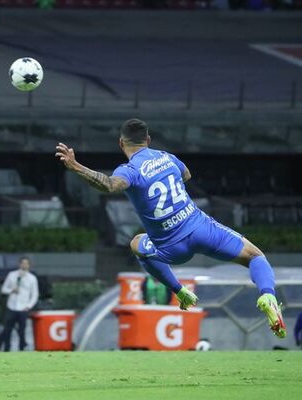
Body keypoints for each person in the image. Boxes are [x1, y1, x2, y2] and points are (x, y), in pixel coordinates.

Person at [56, 118, 286, 338]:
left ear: (121, 143)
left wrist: (76, 167)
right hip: (202, 230)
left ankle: (180, 291)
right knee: (255, 256)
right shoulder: (167, 157)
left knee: (137, 244)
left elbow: (109, 185)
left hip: (170, 248)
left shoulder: (130, 170)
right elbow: (186, 175)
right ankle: (267, 296)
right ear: (148, 139)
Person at [0, 257, 39, 351]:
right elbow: (3, 289)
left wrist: (28, 306)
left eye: (26, 263)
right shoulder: (12, 275)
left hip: (23, 308)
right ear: (19, 264)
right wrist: (11, 290)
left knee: (22, 331)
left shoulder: (32, 278)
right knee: (7, 330)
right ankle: (6, 349)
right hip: (11, 306)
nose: (24, 265)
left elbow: (35, 294)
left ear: (29, 265)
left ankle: (21, 349)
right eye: (22, 263)